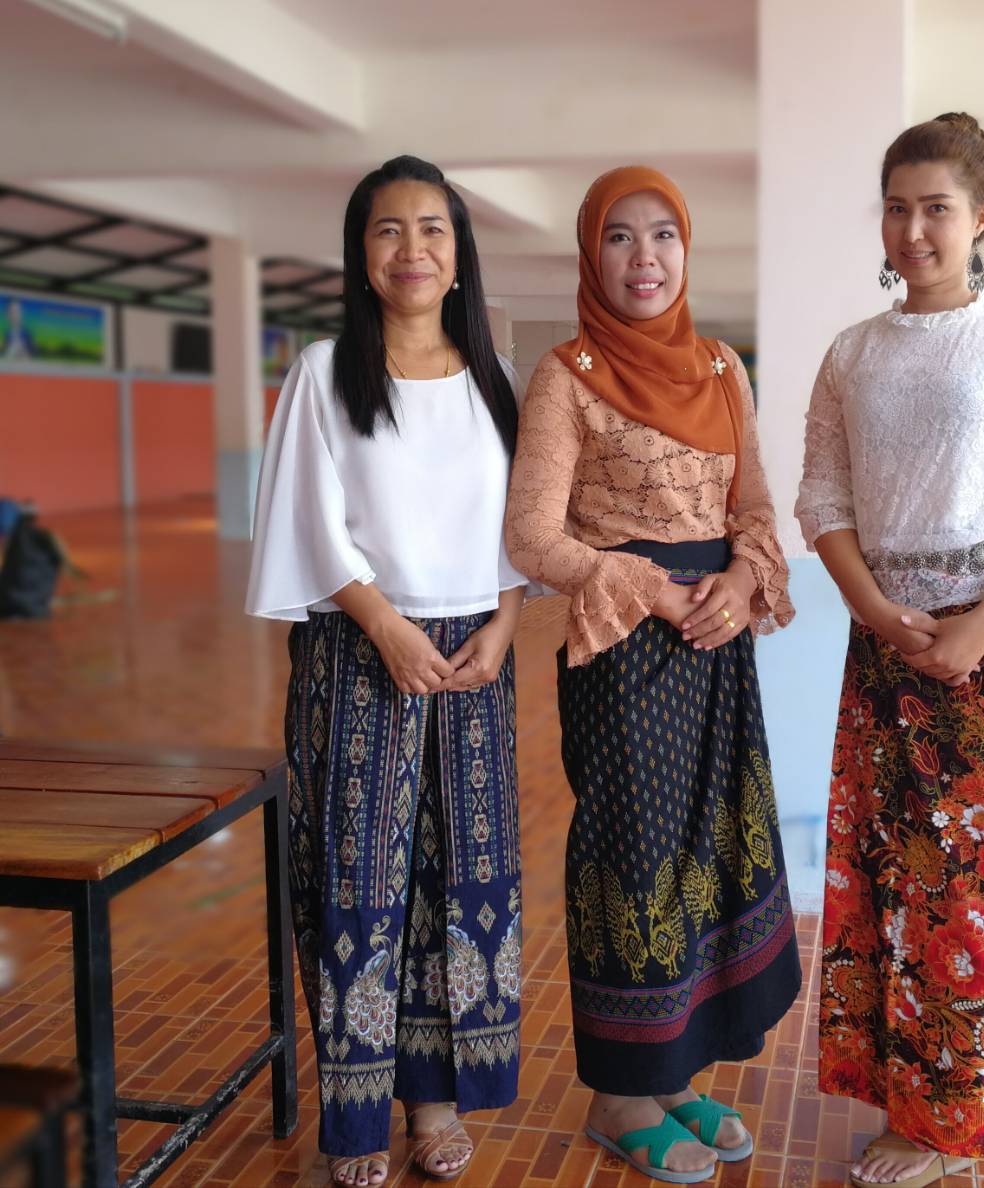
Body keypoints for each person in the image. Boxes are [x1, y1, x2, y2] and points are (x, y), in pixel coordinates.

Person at [795, 113, 984, 1188]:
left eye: (936, 208)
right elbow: (822, 497)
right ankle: (905, 1101)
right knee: (889, 871)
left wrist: (981, 624)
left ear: (982, 217)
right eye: (897, 207)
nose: (913, 230)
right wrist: (875, 611)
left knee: (981, 886)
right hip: (887, 643)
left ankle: (959, 1124)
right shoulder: (851, 353)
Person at [505, 166, 801, 1185]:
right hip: (626, 653)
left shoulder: (721, 368)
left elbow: (753, 507)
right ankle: (621, 1095)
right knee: (634, 860)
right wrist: (657, 592)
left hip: (717, 647)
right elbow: (532, 536)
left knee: (706, 853)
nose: (645, 257)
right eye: (620, 236)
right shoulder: (565, 375)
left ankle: (675, 1076)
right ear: (592, 254)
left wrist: (744, 579)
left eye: (663, 234)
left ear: (686, 249)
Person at [246, 155, 525, 1186]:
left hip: (474, 662)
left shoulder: (496, 380)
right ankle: (358, 1117)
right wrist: (386, 627)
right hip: (357, 658)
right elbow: (307, 522)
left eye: (432, 229)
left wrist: (503, 627)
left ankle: (434, 1103)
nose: (412, 249)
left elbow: (519, 528)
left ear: (459, 253)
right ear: (361, 254)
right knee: (358, 883)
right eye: (388, 230)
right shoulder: (324, 373)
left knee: (462, 884)